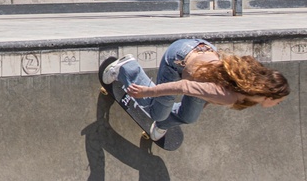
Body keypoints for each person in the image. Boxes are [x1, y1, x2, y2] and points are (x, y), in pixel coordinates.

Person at [101, 39, 289, 140]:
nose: (279, 104)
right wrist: (146, 92)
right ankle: (127, 68)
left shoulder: (248, 87)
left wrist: (198, 105)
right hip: (179, 59)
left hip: (202, 51)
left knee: (189, 116)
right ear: (268, 94)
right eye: (279, 100)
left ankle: (163, 124)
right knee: (156, 111)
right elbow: (185, 86)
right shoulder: (230, 96)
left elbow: (207, 94)